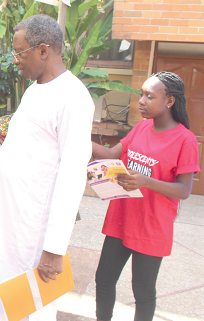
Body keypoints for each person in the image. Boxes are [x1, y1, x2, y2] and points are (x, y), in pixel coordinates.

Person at [0, 15, 94, 320]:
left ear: (44, 51)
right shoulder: (35, 91)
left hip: (32, 230)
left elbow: (73, 174)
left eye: (19, 53)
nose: (15, 61)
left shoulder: (73, 97)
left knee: (26, 309)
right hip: (7, 221)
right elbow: (14, 154)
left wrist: (54, 247)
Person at [92, 72, 199, 321]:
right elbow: (111, 153)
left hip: (152, 226)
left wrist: (145, 181)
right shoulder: (141, 127)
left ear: (170, 101)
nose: (141, 101)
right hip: (121, 219)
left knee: (142, 290)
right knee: (104, 280)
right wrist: (75, 140)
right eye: (141, 94)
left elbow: (184, 190)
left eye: (149, 96)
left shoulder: (186, 140)